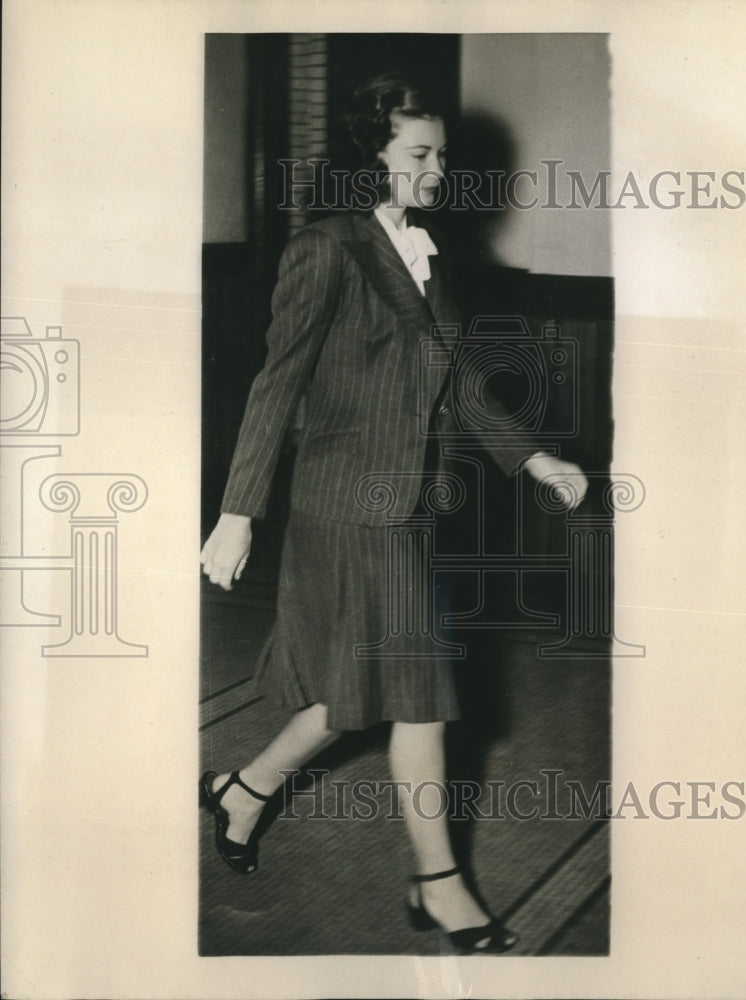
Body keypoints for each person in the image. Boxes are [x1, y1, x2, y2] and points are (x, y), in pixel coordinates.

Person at [200, 73, 588, 954]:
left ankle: (245, 788)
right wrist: (237, 512)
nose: (438, 169)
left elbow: (458, 389)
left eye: (442, 154)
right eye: (420, 154)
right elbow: (276, 384)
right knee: (418, 692)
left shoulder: (428, 254)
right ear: (369, 160)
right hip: (343, 508)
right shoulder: (327, 247)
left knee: (349, 693)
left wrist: (534, 457)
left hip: (408, 509)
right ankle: (438, 882)